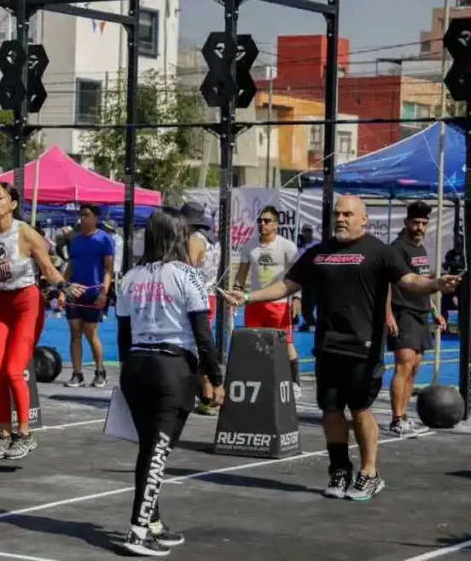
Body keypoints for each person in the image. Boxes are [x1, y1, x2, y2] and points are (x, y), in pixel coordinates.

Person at [225, 195, 461, 501]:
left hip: (363, 347)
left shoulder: (380, 251)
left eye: (348, 214)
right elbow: (287, 285)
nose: (341, 218)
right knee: (331, 412)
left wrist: (436, 284)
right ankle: (339, 469)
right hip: (328, 346)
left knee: (360, 410)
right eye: (337, 213)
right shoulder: (320, 253)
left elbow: (410, 280)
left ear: (363, 219)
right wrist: (246, 298)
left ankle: (369, 473)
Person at [114, 209, 224, 557]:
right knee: (157, 451)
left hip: (136, 367)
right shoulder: (187, 275)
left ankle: (153, 523)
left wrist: (128, 370)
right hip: (171, 368)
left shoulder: (130, 277)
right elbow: (203, 335)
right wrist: (216, 378)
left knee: (151, 449)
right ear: (178, 237)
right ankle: (137, 530)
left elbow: (123, 335)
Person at [0, 182, 85, 460]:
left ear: (12, 204)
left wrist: (64, 286)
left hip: (26, 304)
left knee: (15, 371)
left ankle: (25, 434)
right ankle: (5, 434)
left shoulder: (26, 234)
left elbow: (49, 270)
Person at [385, 201, 445, 436]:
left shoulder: (420, 249)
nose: (419, 227)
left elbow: (421, 283)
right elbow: (387, 284)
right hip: (403, 312)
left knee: (415, 369)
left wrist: (434, 310)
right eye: (415, 222)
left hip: (420, 314)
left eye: (423, 223)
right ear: (407, 222)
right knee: (404, 366)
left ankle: (405, 416)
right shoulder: (397, 248)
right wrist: (388, 314)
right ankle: (396, 418)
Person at [234, 205, 301, 398]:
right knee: (253, 343)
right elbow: (241, 275)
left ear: (276, 224)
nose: (262, 224)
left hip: (279, 304)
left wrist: (297, 298)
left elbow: (298, 276)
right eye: (260, 221)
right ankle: (257, 380)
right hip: (254, 303)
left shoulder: (287, 246)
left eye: (267, 221)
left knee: (286, 343)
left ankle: (295, 383)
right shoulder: (249, 246)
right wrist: (236, 294)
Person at [58, 204, 114, 388]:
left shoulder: (104, 240)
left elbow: (108, 270)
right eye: (81, 215)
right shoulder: (75, 241)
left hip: (94, 293)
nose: (83, 218)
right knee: (75, 333)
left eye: (87, 215)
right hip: (74, 293)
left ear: (96, 217)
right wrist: (62, 290)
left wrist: (104, 292)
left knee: (91, 334)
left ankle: (100, 371)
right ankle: (77, 373)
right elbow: (70, 267)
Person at [181, 202, 222, 417]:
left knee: (198, 346)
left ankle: (208, 395)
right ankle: (208, 393)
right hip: (210, 295)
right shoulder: (213, 240)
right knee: (204, 343)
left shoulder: (193, 241)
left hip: (197, 297)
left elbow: (186, 270)